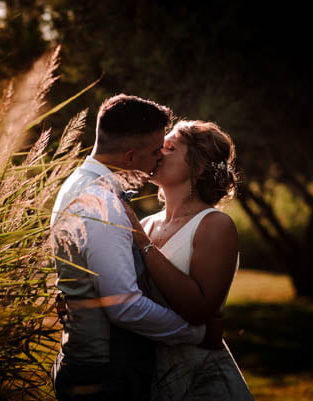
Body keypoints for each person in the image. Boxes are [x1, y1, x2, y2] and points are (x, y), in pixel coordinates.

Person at [49, 95, 211, 401]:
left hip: (88, 364)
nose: (157, 161)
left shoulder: (75, 183)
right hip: (108, 374)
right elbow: (124, 305)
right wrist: (194, 333)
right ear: (131, 157)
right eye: (154, 153)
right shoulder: (103, 203)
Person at [122, 119, 255, 400]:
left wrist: (141, 241)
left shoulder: (214, 224)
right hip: (148, 375)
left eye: (168, 147)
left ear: (198, 166)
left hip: (201, 379)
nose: (156, 152)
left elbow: (197, 311)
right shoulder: (146, 224)